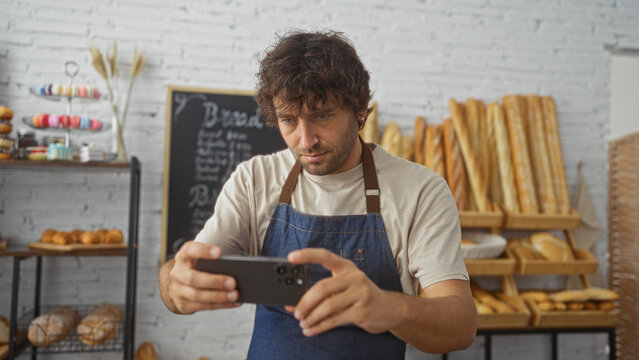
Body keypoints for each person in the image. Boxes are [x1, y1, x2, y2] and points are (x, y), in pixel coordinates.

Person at [159, 30, 477, 358]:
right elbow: (178, 279)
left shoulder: (421, 191)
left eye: (322, 116)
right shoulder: (254, 180)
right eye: (288, 121)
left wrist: (388, 307)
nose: (305, 140)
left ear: (360, 108)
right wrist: (175, 284)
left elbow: (461, 324)